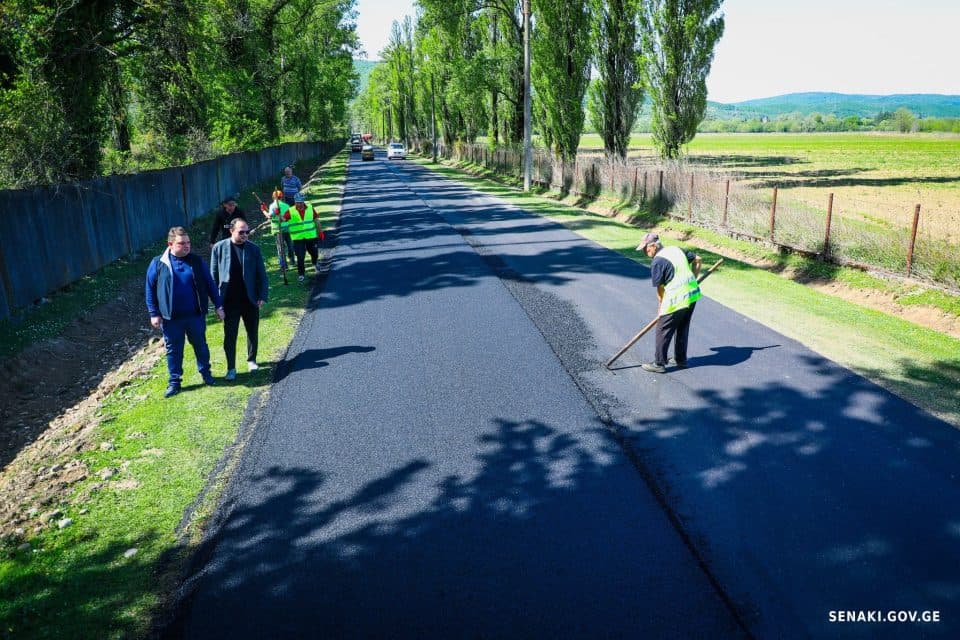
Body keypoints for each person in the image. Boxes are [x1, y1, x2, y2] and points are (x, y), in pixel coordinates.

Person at [146, 227, 226, 398]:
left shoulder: (196, 261)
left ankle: (206, 374)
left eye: (188, 243)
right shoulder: (158, 263)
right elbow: (150, 289)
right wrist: (154, 313)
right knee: (173, 350)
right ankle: (174, 382)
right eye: (182, 243)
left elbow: (210, 284)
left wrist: (218, 306)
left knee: (201, 346)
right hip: (171, 318)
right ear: (170, 244)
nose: (187, 246)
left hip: (195, 315)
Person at [211, 218, 269, 380]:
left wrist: (262, 296)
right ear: (231, 230)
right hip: (229, 302)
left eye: (247, 232)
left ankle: (252, 360)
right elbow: (213, 278)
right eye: (241, 232)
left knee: (252, 331)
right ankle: (231, 368)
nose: (245, 235)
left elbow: (261, 275)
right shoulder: (219, 248)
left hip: (250, 300)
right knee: (230, 335)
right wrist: (217, 305)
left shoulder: (253, 249)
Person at [637, 232, 702, 373]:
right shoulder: (676, 249)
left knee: (663, 328)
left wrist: (661, 309)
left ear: (653, 246)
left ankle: (659, 363)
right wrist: (694, 279)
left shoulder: (657, 262)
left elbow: (660, 289)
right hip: (692, 294)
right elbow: (698, 259)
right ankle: (681, 359)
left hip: (676, 298)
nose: (644, 251)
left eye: (645, 248)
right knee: (683, 326)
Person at [287, 193, 324, 282]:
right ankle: (301, 273)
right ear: (295, 202)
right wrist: (278, 214)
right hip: (298, 238)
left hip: (310, 236)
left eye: (300, 202)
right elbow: (282, 219)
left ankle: (315, 263)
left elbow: (317, 220)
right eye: (297, 202)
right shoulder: (290, 211)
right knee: (300, 256)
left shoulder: (310, 208)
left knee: (314, 252)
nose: (299, 204)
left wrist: (320, 232)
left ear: (303, 202)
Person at [261, 188, 296, 263]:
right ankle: (292, 260)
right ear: (282, 197)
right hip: (287, 228)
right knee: (290, 245)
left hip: (278, 229)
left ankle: (283, 265)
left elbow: (270, 216)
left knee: (280, 248)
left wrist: (263, 210)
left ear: (273, 197)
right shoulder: (286, 205)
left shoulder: (272, 206)